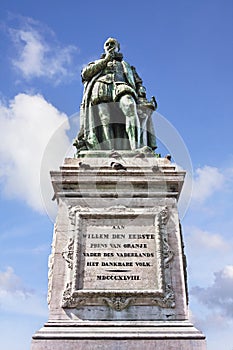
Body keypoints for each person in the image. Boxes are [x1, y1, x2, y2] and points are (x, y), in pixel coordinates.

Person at [74, 37, 157, 152]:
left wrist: (142, 94)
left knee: (130, 107)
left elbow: (138, 82)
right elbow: (85, 74)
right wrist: (106, 60)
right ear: (104, 48)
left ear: (118, 47)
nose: (109, 46)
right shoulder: (96, 63)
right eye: (107, 44)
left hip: (122, 86)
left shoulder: (126, 65)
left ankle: (136, 147)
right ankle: (109, 150)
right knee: (104, 118)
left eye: (112, 44)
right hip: (101, 88)